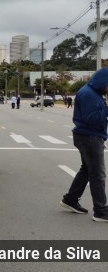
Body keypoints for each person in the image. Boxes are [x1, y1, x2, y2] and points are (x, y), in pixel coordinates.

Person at [60, 68, 108, 222]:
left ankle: (70, 200)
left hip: (89, 137)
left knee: (87, 170)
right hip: (89, 137)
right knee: (97, 174)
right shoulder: (88, 94)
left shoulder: (93, 93)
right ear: (103, 81)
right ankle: (100, 211)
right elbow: (92, 119)